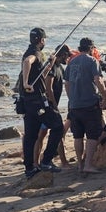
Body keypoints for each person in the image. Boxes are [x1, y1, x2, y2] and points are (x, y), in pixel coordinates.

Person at [19, 28, 65, 179]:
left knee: (31, 135)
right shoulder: (35, 53)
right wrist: (26, 82)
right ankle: (46, 161)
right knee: (58, 126)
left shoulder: (30, 51)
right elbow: (27, 62)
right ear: (41, 40)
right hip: (38, 102)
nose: (44, 42)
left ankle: (30, 168)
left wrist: (49, 65)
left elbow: (40, 77)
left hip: (28, 102)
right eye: (44, 39)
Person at [65, 37, 106, 174]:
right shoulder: (92, 61)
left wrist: (71, 98)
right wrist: (104, 95)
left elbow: (67, 83)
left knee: (78, 136)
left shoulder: (72, 62)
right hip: (89, 103)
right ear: (91, 48)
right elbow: (98, 80)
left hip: (74, 104)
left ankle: (79, 164)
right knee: (92, 135)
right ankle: (88, 164)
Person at [34, 44, 72, 167]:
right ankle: (39, 162)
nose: (68, 59)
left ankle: (41, 162)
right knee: (54, 131)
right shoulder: (53, 67)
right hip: (48, 105)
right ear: (63, 54)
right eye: (67, 56)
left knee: (43, 134)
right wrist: (54, 104)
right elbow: (48, 86)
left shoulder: (59, 67)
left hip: (48, 105)